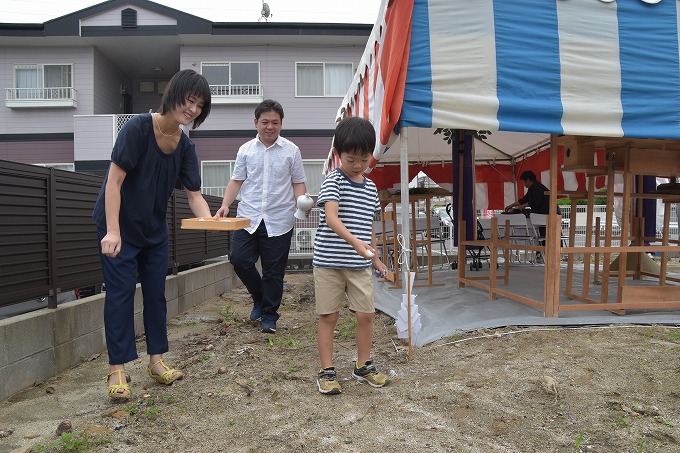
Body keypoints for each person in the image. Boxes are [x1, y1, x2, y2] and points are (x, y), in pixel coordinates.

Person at [93, 69, 213, 400]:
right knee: (119, 296)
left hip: (153, 230)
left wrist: (210, 222)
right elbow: (113, 181)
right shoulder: (138, 128)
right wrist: (113, 231)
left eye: (200, 105)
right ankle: (117, 369)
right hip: (118, 227)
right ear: (174, 96)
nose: (192, 110)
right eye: (190, 100)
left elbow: (194, 194)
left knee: (157, 295)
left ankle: (156, 362)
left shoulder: (185, 145)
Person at [215, 99, 307, 334]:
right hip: (248, 216)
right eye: (265, 122)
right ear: (255, 122)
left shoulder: (291, 150)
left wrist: (302, 204)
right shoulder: (245, 149)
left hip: (280, 220)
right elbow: (236, 181)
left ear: (281, 124)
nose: (270, 127)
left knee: (273, 272)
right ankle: (259, 298)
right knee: (239, 259)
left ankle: (269, 316)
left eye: (274, 122)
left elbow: (298, 183)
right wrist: (225, 205)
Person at [313, 116, 390, 395]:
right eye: (351, 159)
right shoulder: (333, 181)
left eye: (364, 159)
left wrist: (376, 258)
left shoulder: (371, 189)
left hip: (359, 264)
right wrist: (356, 243)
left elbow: (369, 225)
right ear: (337, 155)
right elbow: (331, 218)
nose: (358, 165)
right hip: (329, 263)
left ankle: (363, 365)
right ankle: (327, 370)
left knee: (366, 314)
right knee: (328, 316)